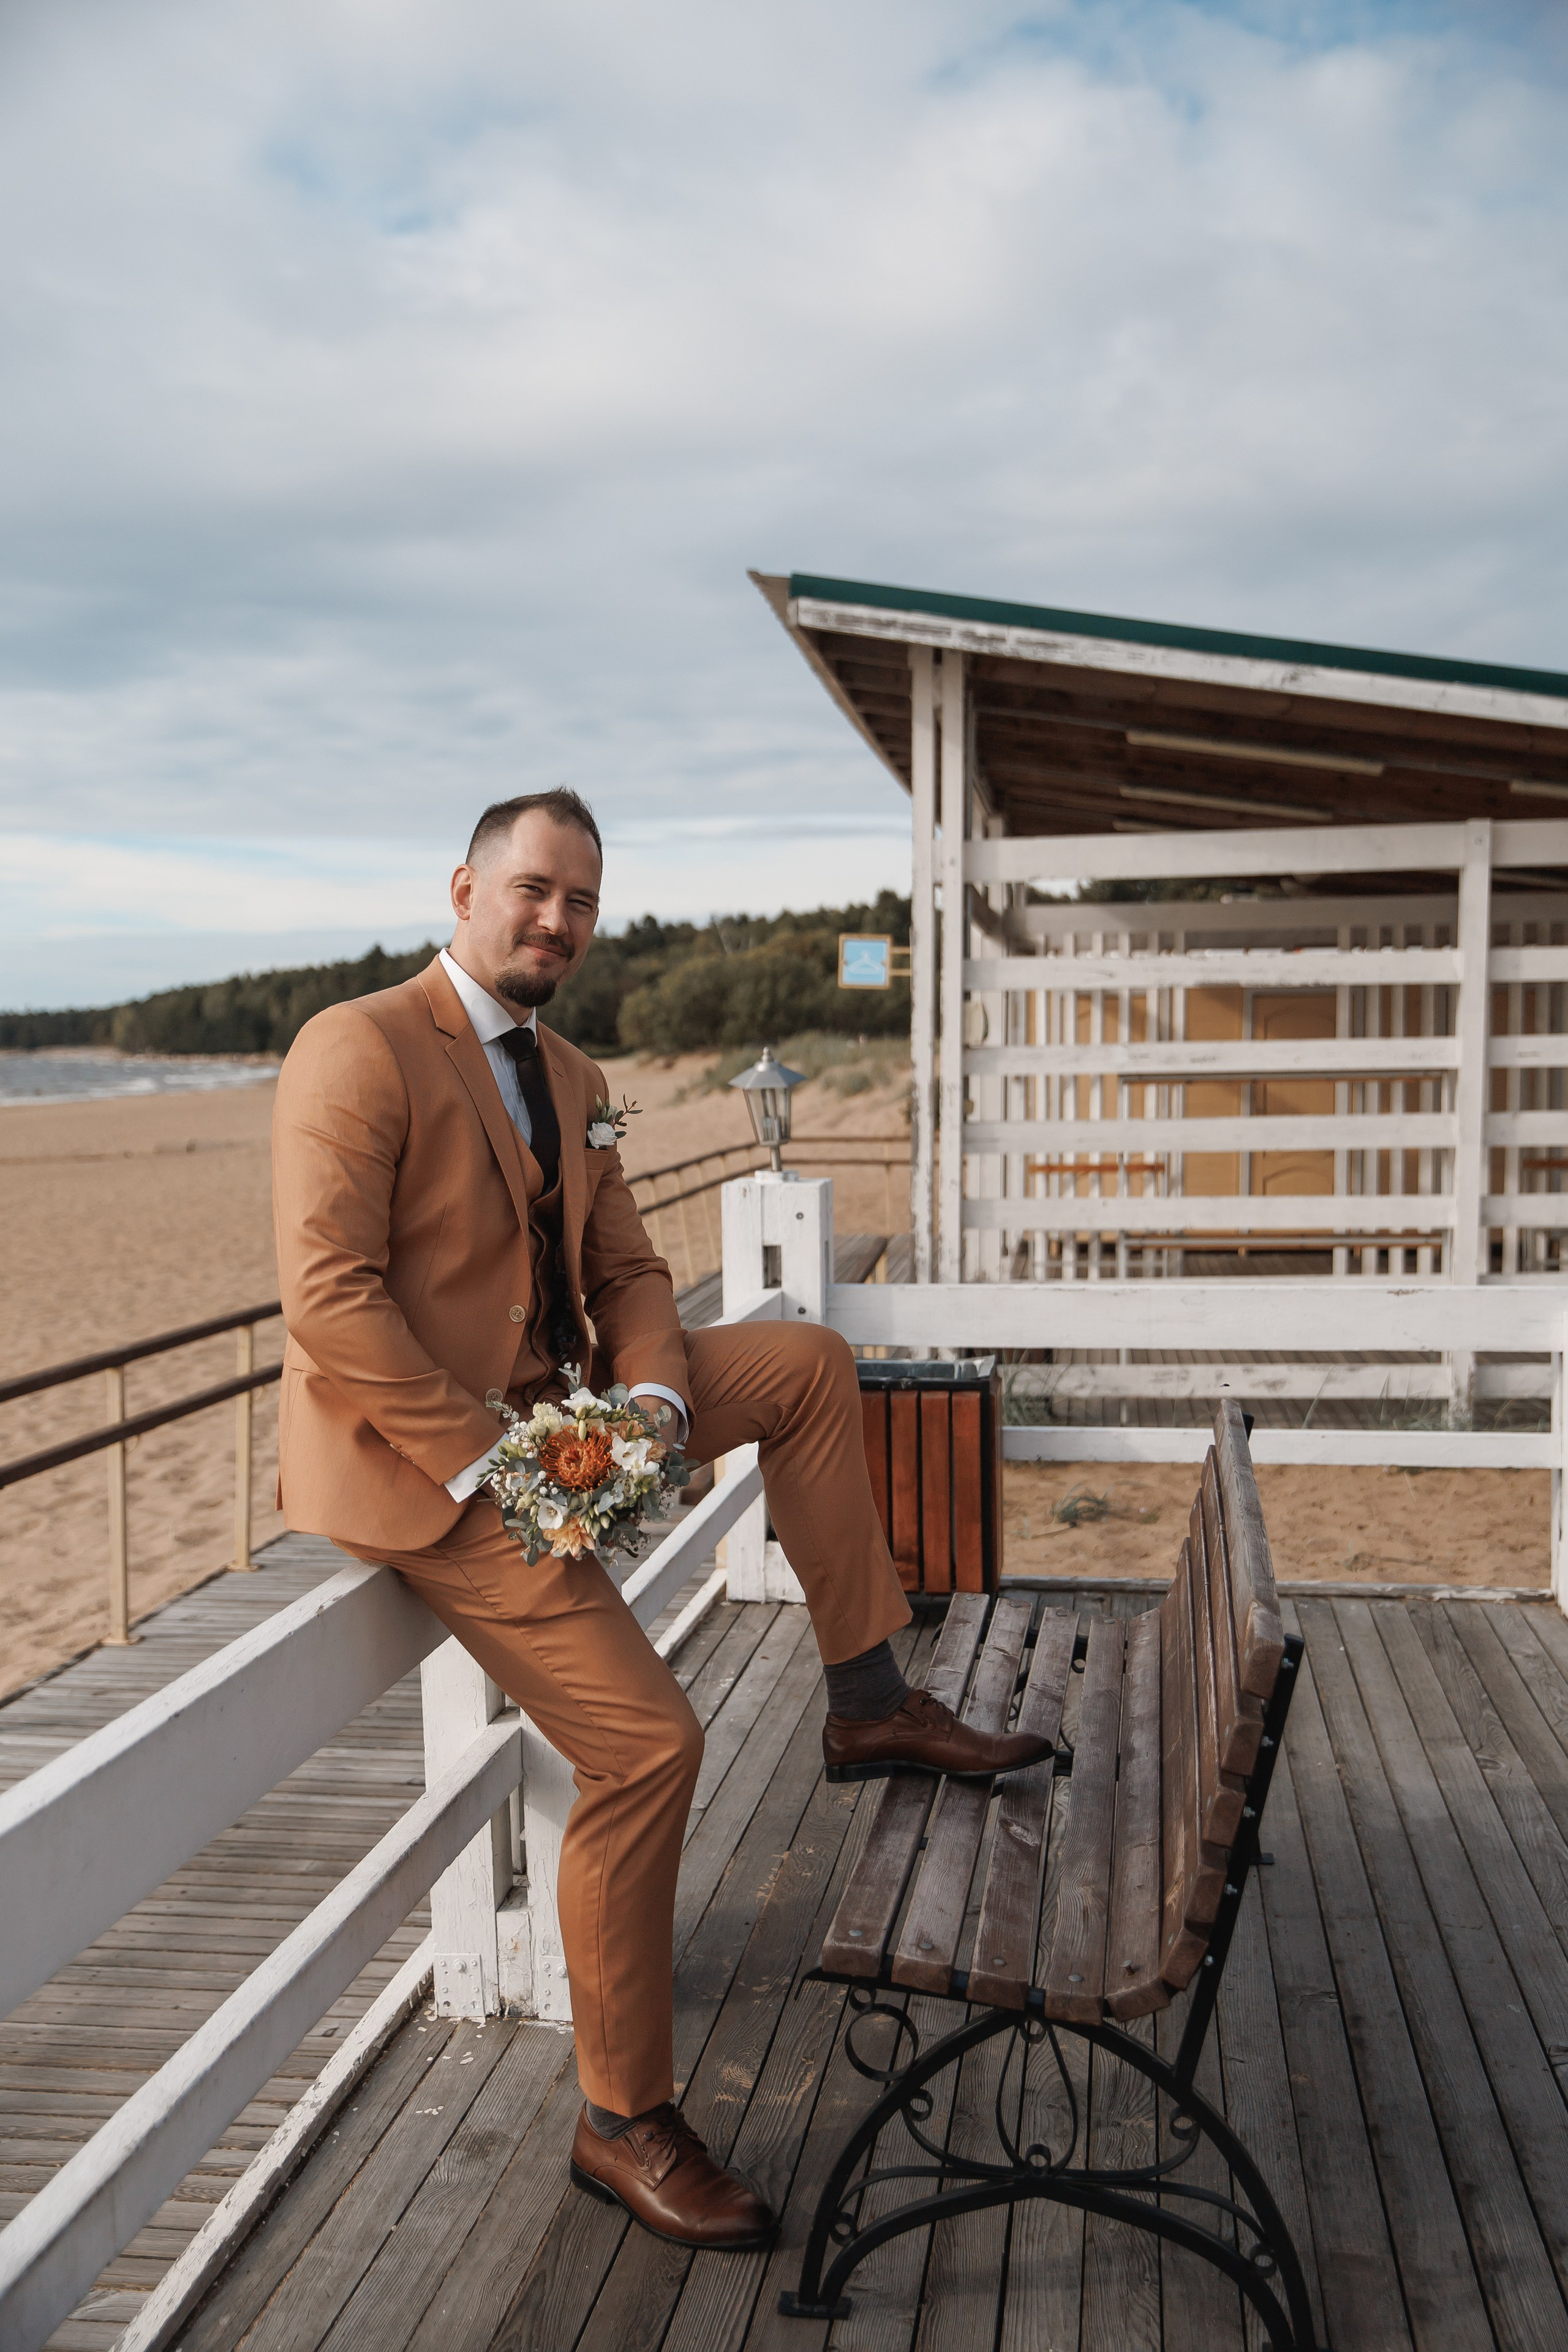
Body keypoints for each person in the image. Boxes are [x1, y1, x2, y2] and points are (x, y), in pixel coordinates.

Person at [271, 788, 1051, 2250]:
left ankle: (869, 1699)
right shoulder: (355, 1047)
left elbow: (628, 1269)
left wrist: (655, 1411)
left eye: (581, 901)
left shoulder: (575, 1072)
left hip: (568, 1413)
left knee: (809, 1365)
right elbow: (329, 1303)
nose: (556, 920)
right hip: (427, 1465)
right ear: (463, 885)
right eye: (532, 890)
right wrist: (513, 1469)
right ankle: (619, 2117)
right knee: (646, 1742)